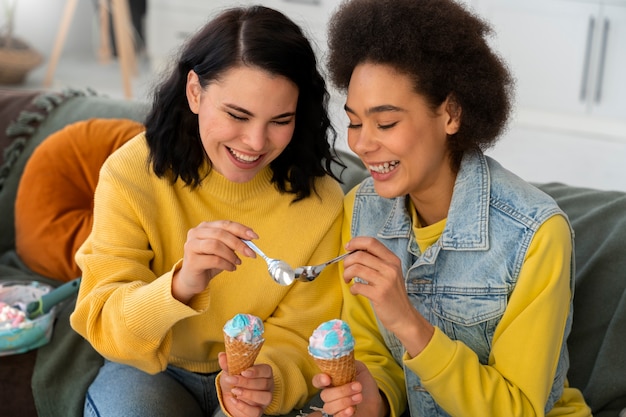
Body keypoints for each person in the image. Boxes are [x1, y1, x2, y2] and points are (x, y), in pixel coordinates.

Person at [311, 0, 594, 416]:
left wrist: (408, 321)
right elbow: (374, 354)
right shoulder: (361, 212)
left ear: (451, 114)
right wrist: (373, 398)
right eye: (354, 122)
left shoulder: (535, 233)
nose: (362, 144)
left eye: (385, 123)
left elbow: (517, 409)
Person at [70, 5, 345, 417]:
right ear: (195, 92)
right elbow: (104, 318)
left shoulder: (322, 201)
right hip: (151, 369)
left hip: (257, 375)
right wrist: (181, 283)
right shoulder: (131, 173)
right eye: (237, 114)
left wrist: (269, 380)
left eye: (280, 120)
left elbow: (303, 329)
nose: (255, 142)